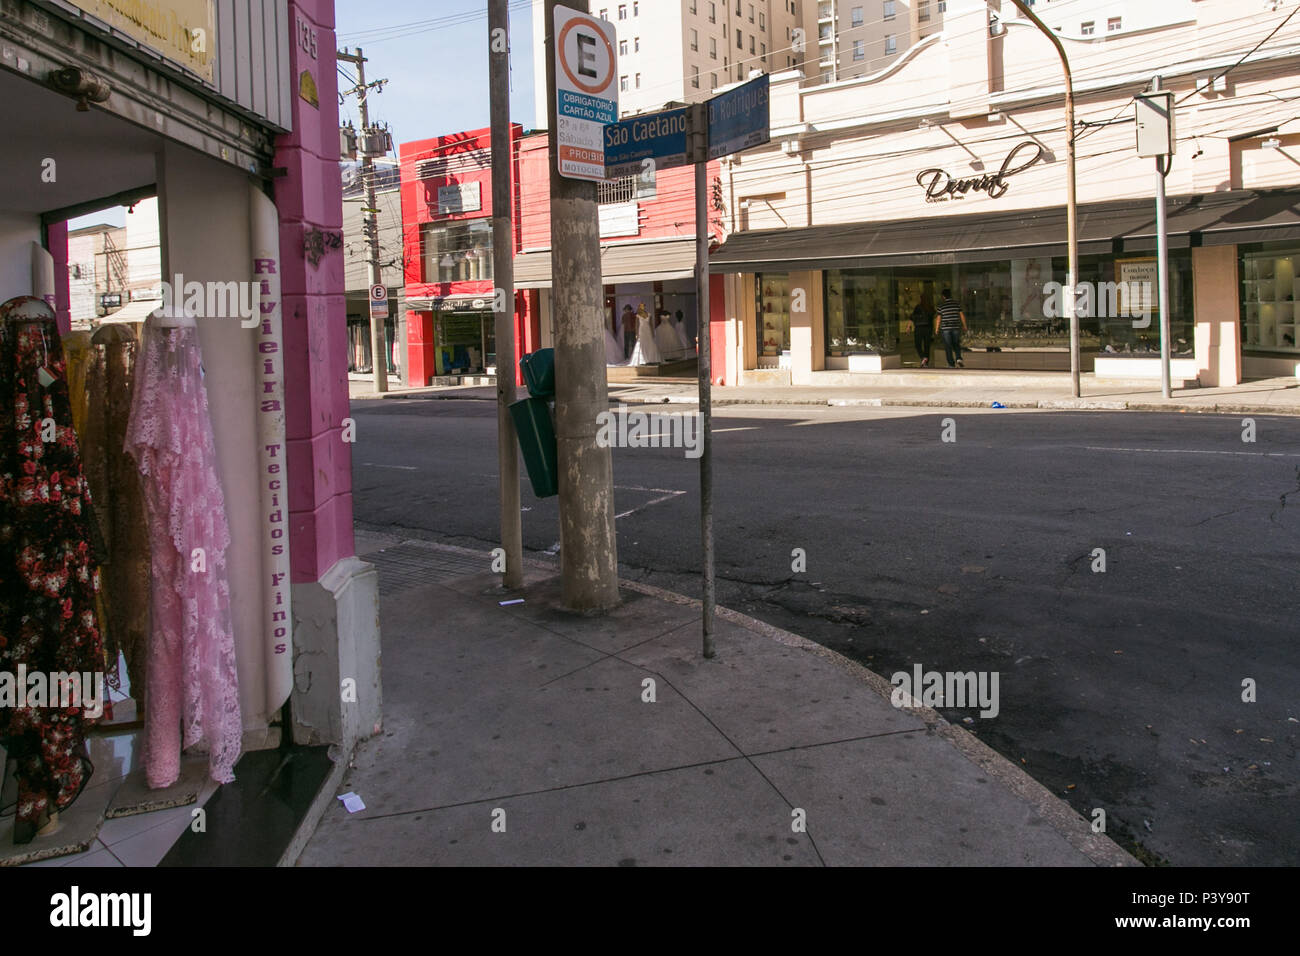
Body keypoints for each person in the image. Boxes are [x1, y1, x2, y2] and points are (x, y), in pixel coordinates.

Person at [933, 288, 967, 368]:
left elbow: (938, 318)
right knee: (956, 343)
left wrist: (936, 329)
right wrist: (965, 325)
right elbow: (962, 315)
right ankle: (958, 358)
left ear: (943, 296)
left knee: (948, 346)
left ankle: (951, 364)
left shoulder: (941, 306)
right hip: (955, 327)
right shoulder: (956, 304)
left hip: (945, 328)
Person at [908, 293, 934, 367]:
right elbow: (932, 320)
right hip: (928, 328)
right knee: (927, 346)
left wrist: (908, 326)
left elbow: (912, 317)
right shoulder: (930, 308)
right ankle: (926, 363)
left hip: (919, 328)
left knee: (917, 344)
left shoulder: (918, 307)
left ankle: (923, 357)